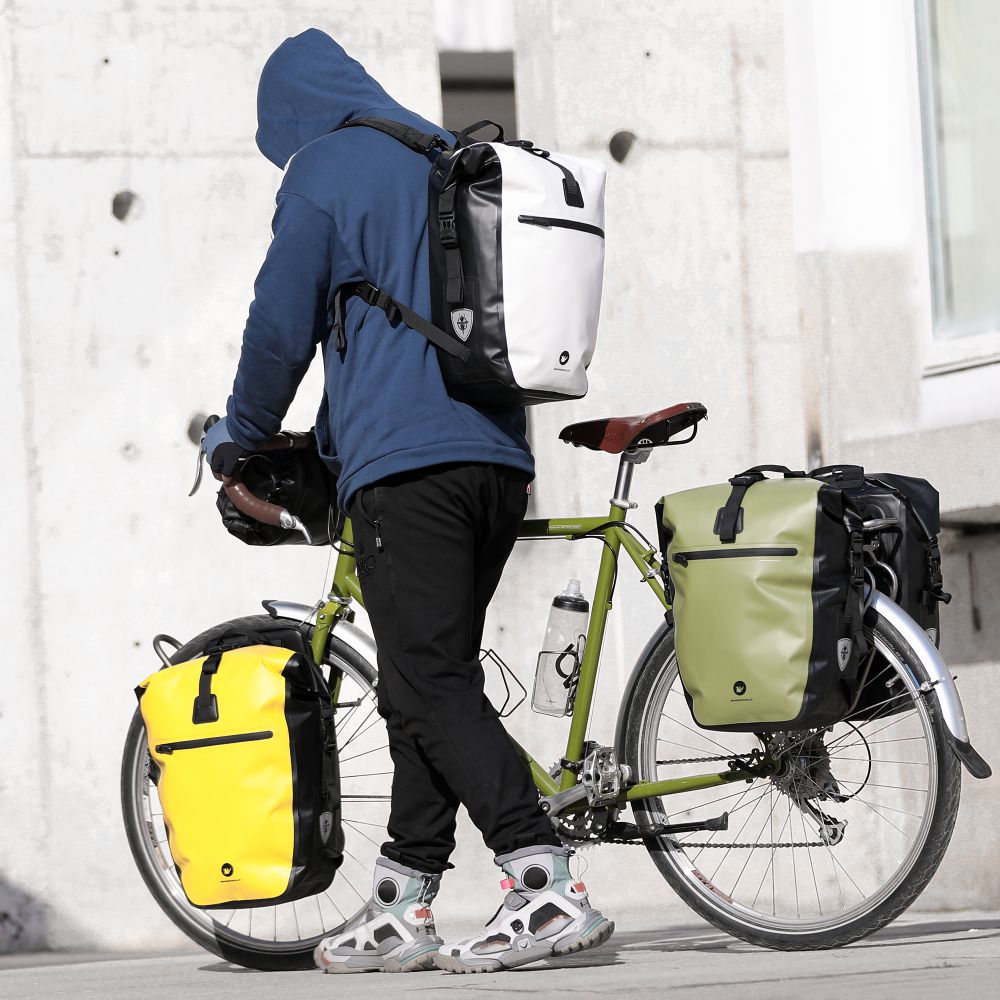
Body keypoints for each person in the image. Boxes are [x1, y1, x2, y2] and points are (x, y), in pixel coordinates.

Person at [202, 28, 613, 974]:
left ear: (289, 115)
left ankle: (542, 880)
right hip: (497, 460)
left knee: (427, 681)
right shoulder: (439, 155)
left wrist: (241, 435)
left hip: (409, 473)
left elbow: (279, 326)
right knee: (426, 683)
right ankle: (404, 897)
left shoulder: (326, 172)